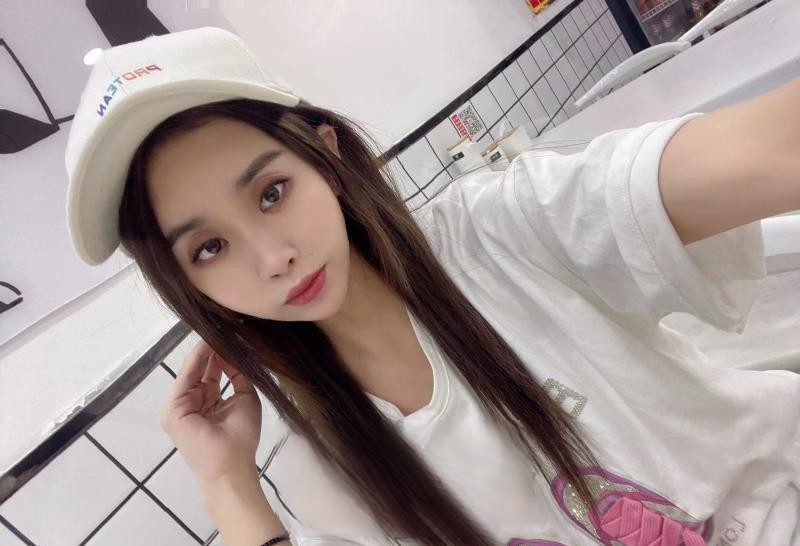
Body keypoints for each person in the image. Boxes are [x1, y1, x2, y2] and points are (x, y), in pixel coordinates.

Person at [64, 26, 800, 546]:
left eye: (271, 193)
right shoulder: (316, 463)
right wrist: (227, 485)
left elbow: (771, 150)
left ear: (327, 157)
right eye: (210, 247)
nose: (273, 258)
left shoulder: (500, 231)